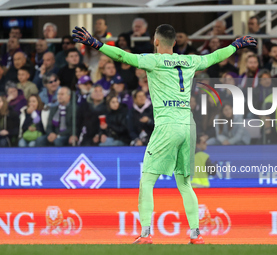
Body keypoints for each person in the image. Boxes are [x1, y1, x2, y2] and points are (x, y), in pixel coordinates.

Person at [72, 24, 256, 244]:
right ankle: (196, 235)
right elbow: (215, 56)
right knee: (185, 183)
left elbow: (122, 55)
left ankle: (146, 233)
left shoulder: (154, 60)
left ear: (156, 41)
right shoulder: (189, 60)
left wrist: (95, 44)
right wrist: (235, 45)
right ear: (175, 43)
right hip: (188, 125)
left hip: (167, 125)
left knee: (147, 180)